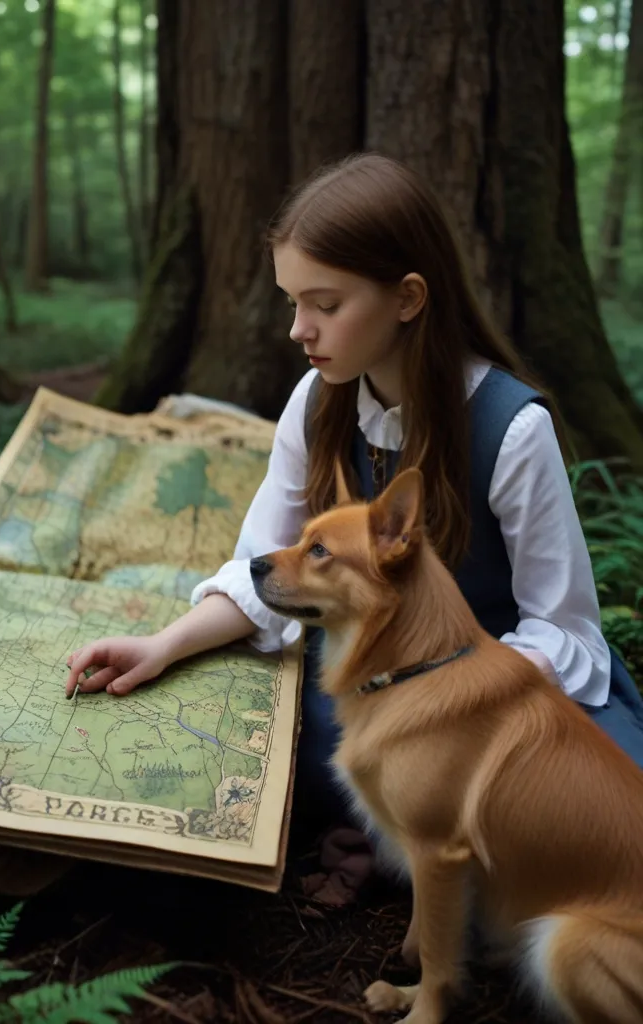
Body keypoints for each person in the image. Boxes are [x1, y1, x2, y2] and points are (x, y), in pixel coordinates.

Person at [65, 153, 643, 899]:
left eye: (326, 304)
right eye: (292, 302)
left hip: (507, 692)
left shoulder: (510, 427)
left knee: (608, 826)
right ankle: (396, 841)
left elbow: (564, 628)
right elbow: (261, 570)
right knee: (300, 756)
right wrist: (163, 644)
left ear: (407, 298)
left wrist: (444, 708)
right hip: (373, 680)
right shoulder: (317, 401)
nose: (301, 329)